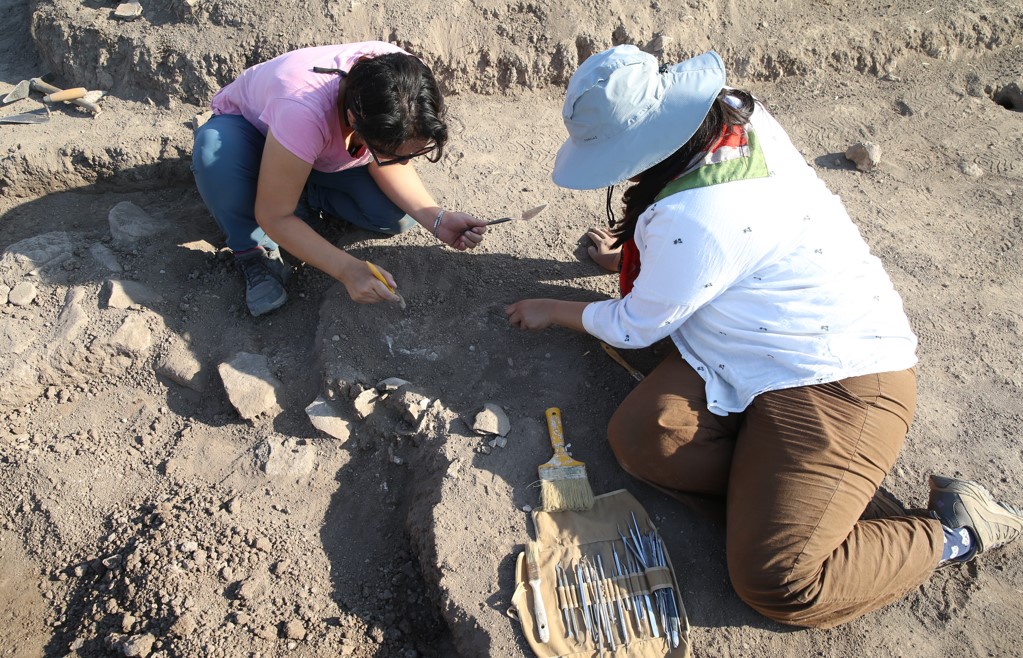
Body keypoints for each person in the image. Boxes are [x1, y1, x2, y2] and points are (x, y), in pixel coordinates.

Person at [506, 45, 1023, 628]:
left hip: (838, 378)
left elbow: (633, 325)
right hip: (746, 347)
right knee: (645, 438)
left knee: (780, 580)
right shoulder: (729, 118)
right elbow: (695, 246)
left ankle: (954, 530)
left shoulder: (693, 223)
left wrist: (556, 308)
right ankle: (787, 491)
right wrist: (634, 254)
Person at [192, 42, 487, 316]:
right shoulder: (302, 109)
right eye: (391, 152)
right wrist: (348, 270)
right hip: (253, 137)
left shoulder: (408, 83)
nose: (402, 160)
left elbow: (386, 158)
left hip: (314, 146)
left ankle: (296, 190)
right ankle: (254, 251)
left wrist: (436, 218)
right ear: (354, 119)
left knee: (394, 216)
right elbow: (274, 216)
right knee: (214, 152)